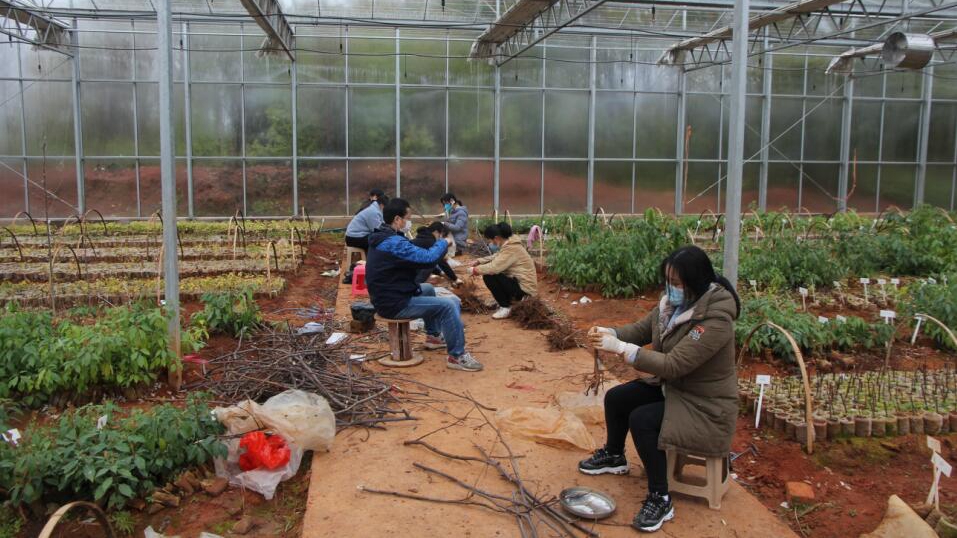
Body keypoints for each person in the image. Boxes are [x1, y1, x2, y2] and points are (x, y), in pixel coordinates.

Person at [578, 245, 740, 533]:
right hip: (675, 389)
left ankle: (660, 498)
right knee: (617, 398)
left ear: (696, 282)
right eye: (668, 281)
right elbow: (641, 330)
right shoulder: (671, 307)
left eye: (676, 283)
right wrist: (612, 333)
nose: (670, 288)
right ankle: (615, 455)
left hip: (704, 404)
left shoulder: (714, 321)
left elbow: (675, 365)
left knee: (643, 420)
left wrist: (623, 350)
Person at [366, 198, 483, 372]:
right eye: (407, 218)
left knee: (427, 289)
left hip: (387, 295)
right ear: (398, 219)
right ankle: (457, 356)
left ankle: (434, 336)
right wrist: (443, 242)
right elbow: (427, 258)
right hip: (393, 303)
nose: (408, 222)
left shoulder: (385, 237)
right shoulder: (392, 242)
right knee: (449, 305)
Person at [467, 222, 537, 319]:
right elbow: (497, 256)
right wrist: (479, 261)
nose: (490, 243)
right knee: (492, 272)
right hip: (518, 284)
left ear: (496, 238)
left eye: (490, 240)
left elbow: (494, 268)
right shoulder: (509, 244)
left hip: (524, 290)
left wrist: (475, 270)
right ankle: (507, 301)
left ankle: (505, 307)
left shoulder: (512, 248)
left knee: (489, 276)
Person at [411, 222, 462, 287]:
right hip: (413, 276)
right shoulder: (431, 242)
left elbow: (427, 262)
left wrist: (440, 273)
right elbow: (441, 262)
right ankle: (417, 286)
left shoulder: (421, 239)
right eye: (440, 235)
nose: (440, 237)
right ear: (436, 232)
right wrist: (455, 278)